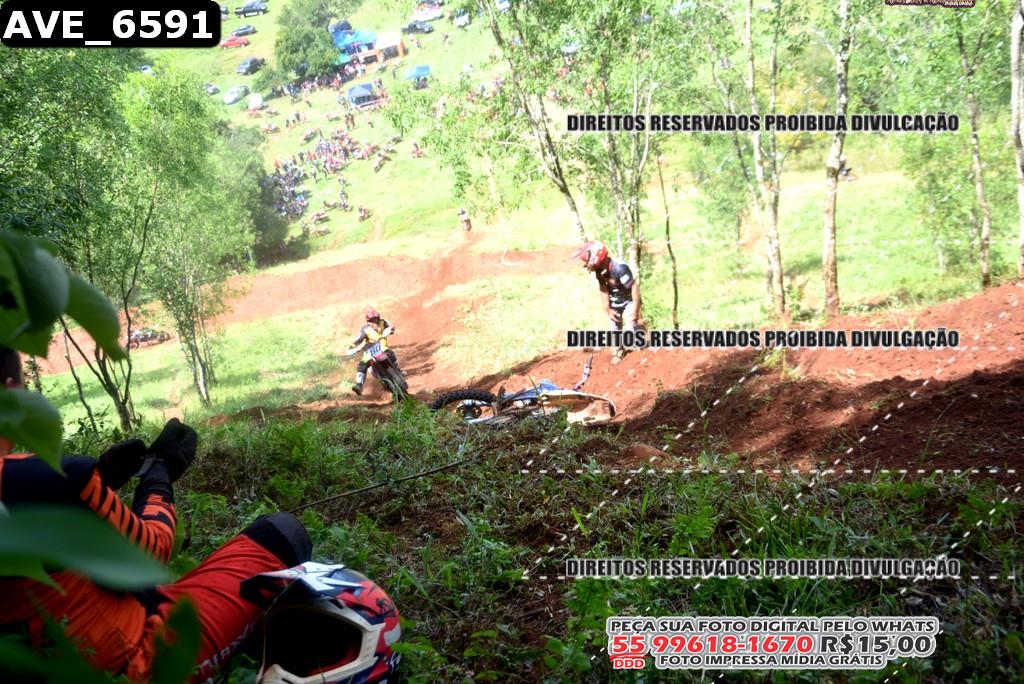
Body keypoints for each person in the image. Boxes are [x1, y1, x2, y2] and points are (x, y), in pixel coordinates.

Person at [572, 240, 642, 363]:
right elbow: (603, 288)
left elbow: (634, 287)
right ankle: (619, 351)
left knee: (631, 325)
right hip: (615, 303)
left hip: (629, 300)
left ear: (596, 256)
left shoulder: (619, 268)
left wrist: (635, 311)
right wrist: (607, 309)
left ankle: (642, 348)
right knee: (615, 328)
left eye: (586, 260)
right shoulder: (600, 271)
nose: (586, 264)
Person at [347, 308, 397, 395]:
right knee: (361, 365)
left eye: (376, 319)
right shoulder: (365, 329)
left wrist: (391, 329)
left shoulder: (383, 323)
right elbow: (357, 340)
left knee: (391, 354)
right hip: (369, 351)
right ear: (368, 322)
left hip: (382, 347)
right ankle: (359, 385)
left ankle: (398, 370)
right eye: (372, 320)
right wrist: (352, 348)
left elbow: (390, 327)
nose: (375, 322)